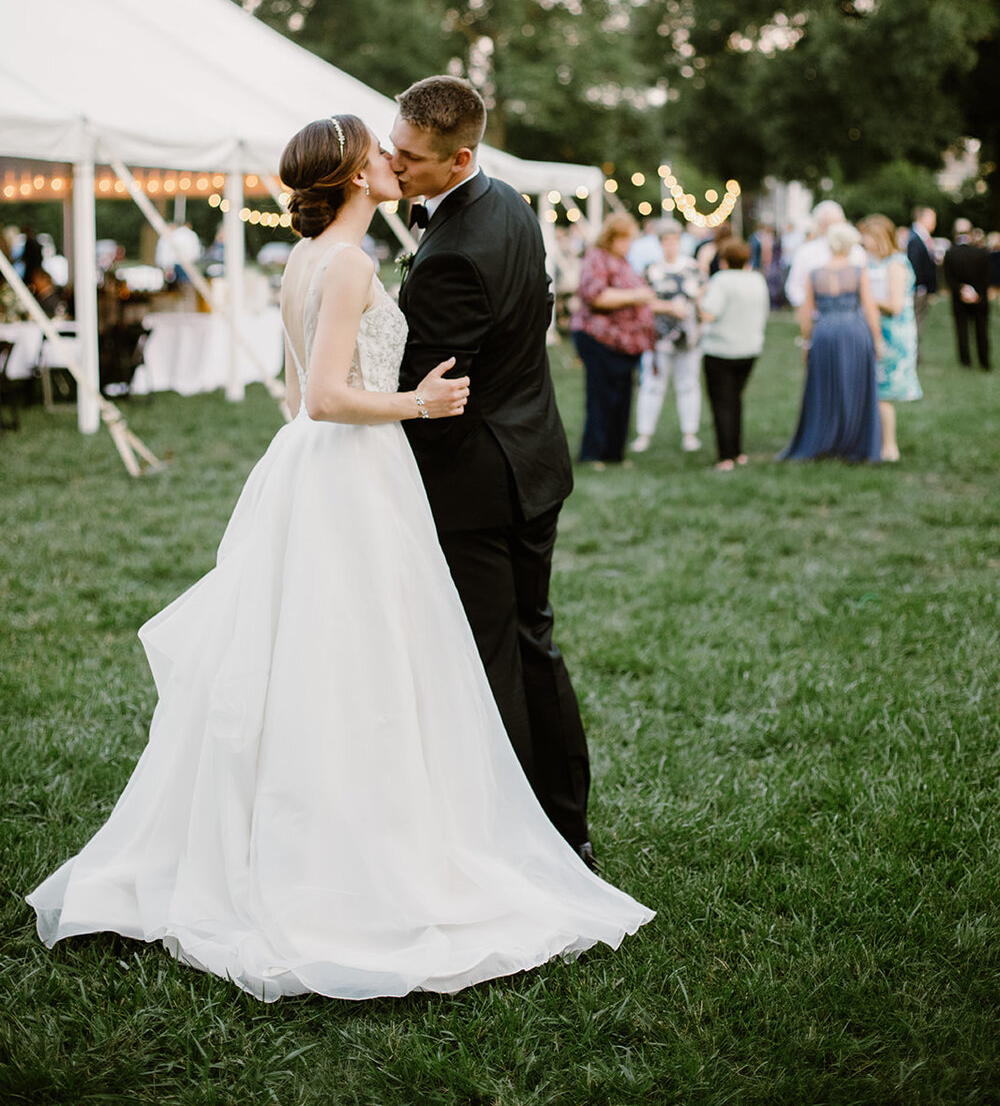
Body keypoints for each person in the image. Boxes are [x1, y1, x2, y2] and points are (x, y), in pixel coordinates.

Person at [26, 113, 653, 1002]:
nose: (391, 161)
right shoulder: (353, 262)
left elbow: (295, 400)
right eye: (378, 153)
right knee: (369, 661)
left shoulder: (305, 258)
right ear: (357, 178)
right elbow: (324, 397)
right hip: (354, 468)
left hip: (315, 474)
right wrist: (418, 406)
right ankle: (368, 851)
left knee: (321, 663)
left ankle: (320, 828)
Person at [390, 78, 595, 869]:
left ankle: (514, 841)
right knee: (532, 643)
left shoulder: (454, 258)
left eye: (411, 158)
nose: (395, 165)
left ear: (459, 158)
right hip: (535, 459)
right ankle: (566, 824)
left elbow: (429, 393)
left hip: (474, 484)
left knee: (488, 660)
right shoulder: (510, 203)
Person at [779, 222, 883, 463]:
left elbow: (805, 315)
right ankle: (855, 442)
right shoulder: (858, 271)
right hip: (854, 332)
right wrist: (877, 340)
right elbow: (870, 309)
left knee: (823, 386)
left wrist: (806, 343)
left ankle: (823, 439)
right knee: (855, 385)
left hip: (824, 332)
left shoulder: (815, 274)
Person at [569, 212, 657, 468]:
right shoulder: (597, 258)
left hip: (625, 345)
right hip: (598, 338)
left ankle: (614, 453)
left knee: (622, 398)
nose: (628, 244)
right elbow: (596, 297)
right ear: (612, 237)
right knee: (601, 397)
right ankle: (593, 453)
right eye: (625, 239)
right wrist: (637, 296)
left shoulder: (624, 262)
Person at [631, 219, 704, 454]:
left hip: (688, 338)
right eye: (666, 241)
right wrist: (668, 308)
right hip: (659, 338)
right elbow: (643, 302)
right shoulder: (651, 270)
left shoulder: (691, 268)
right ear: (660, 243)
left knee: (688, 384)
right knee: (652, 385)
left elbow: (702, 296)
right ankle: (644, 433)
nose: (671, 245)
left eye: (675, 240)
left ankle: (690, 433)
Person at [698, 237, 770, 471]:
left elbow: (709, 313)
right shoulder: (757, 280)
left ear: (724, 260)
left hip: (721, 350)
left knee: (722, 403)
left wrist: (699, 297)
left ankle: (726, 456)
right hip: (749, 349)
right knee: (736, 400)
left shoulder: (721, 280)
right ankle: (737, 451)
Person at [859, 214, 922, 463]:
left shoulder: (896, 264)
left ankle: (889, 446)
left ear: (880, 237)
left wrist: (864, 300)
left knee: (883, 393)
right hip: (873, 330)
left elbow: (895, 305)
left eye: (868, 236)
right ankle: (873, 442)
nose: (863, 241)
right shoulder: (871, 261)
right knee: (873, 391)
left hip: (892, 335)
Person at [784, 200, 865, 308]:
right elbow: (794, 286)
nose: (831, 228)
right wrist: (808, 307)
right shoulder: (805, 252)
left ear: (843, 222)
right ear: (819, 225)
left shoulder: (857, 251)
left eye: (835, 223)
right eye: (826, 223)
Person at [942, 219, 991, 371]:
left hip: (959, 298)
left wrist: (962, 290)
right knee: (981, 330)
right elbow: (987, 277)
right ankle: (984, 362)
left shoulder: (950, 254)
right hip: (980, 298)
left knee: (962, 330)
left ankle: (965, 362)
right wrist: (976, 293)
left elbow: (948, 279)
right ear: (971, 233)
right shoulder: (982, 252)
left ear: (955, 234)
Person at [906, 206, 938, 347]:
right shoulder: (914, 238)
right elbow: (915, 266)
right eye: (932, 218)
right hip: (918, 289)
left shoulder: (922, 237)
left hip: (923, 289)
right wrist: (921, 287)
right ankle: (915, 354)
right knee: (916, 322)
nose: (934, 222)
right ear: (921, 218)